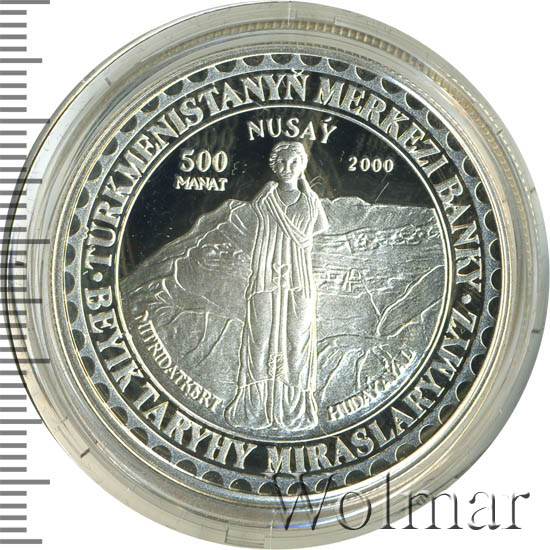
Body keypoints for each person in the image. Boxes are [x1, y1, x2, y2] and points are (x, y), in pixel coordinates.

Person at [225, 141, 329, 431]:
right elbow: (252, 215)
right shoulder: (266, 197)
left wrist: (308, 194)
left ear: (302, 166)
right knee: (259, 339)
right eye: (281, 162)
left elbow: (321, 226)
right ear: (273, 165)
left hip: (299, 278)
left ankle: (296, 408)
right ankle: (255, 407)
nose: (286, 168)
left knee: (298, 340)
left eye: (294, 162)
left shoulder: (310, 201)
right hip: (266, 277)